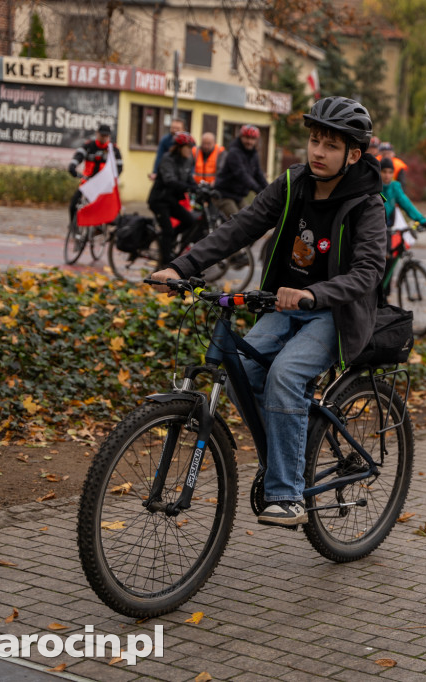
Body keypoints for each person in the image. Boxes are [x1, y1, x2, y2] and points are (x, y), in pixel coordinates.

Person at [149, 96, 385, 527]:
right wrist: (181, 266)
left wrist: (316, 295)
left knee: (285, 375)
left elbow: (369, 270)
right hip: (283, 303)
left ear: (353, 154)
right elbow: (242, 225)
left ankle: (287, 492)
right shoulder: (294, 183)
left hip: (335, 314)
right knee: (241, 370)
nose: (317, 151)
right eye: (314, 140)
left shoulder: (367, 202)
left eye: (331, 146)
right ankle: (285, 457)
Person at [147, 131, 198, 266]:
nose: (190, 151)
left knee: (190, 220)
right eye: (188, 147)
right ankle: (165, 264)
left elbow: (188, 178)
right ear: (179, 147)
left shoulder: (188, 160)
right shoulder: (167, 159)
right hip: (159, 200)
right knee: (167, 229)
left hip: (171, 200)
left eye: (191, 148)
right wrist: (188, 187)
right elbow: (170, 181)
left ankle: (168, 243)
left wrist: (198, 187)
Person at [67, 123, 124, 223]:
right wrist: (72, 166)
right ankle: (73, 224)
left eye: (106, 136)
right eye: (102, 135)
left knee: (112, 210)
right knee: (73, 204)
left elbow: (119, 167)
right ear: (97, 134)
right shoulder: (89, 146)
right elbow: (78, 156)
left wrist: (112, 179)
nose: (103, 138)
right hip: (88, 182)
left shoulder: (113, 149)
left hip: (104, 185)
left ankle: (105, 229)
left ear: (109, 136)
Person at [213, 124, 268, 218]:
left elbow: (258, 174)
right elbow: (242, 175)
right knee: (238, 221)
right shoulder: (234, 152)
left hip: (238, 196)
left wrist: (268, 190)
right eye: (247, 138)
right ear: (241, 137)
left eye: (252, 139)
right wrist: (258, 190)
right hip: (224, 195)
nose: (249, 141)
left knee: (252, 218)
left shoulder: (254, 154)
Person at [381, 157, 426, 228]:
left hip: (387, 225)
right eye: (384, 171)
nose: (387, 175)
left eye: (390, 172)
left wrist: (422, 220)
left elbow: (407, 204)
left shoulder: (395, 187)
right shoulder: (374, 187)